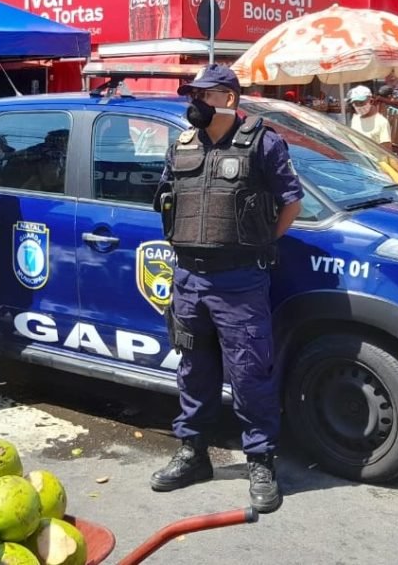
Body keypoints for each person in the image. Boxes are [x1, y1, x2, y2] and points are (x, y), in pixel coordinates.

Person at [150, 64, 302, 514]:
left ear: (229, 99)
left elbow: (290, 203)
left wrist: (258, 245)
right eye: (191, 95)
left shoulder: (264, 143)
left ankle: (260, 460)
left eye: (203, 95)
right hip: (189, 278)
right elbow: (165, 199)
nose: (193, 102)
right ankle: (193, 453)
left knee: (249, 373)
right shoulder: (180, 146)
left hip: (239, 280)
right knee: (193, 370)